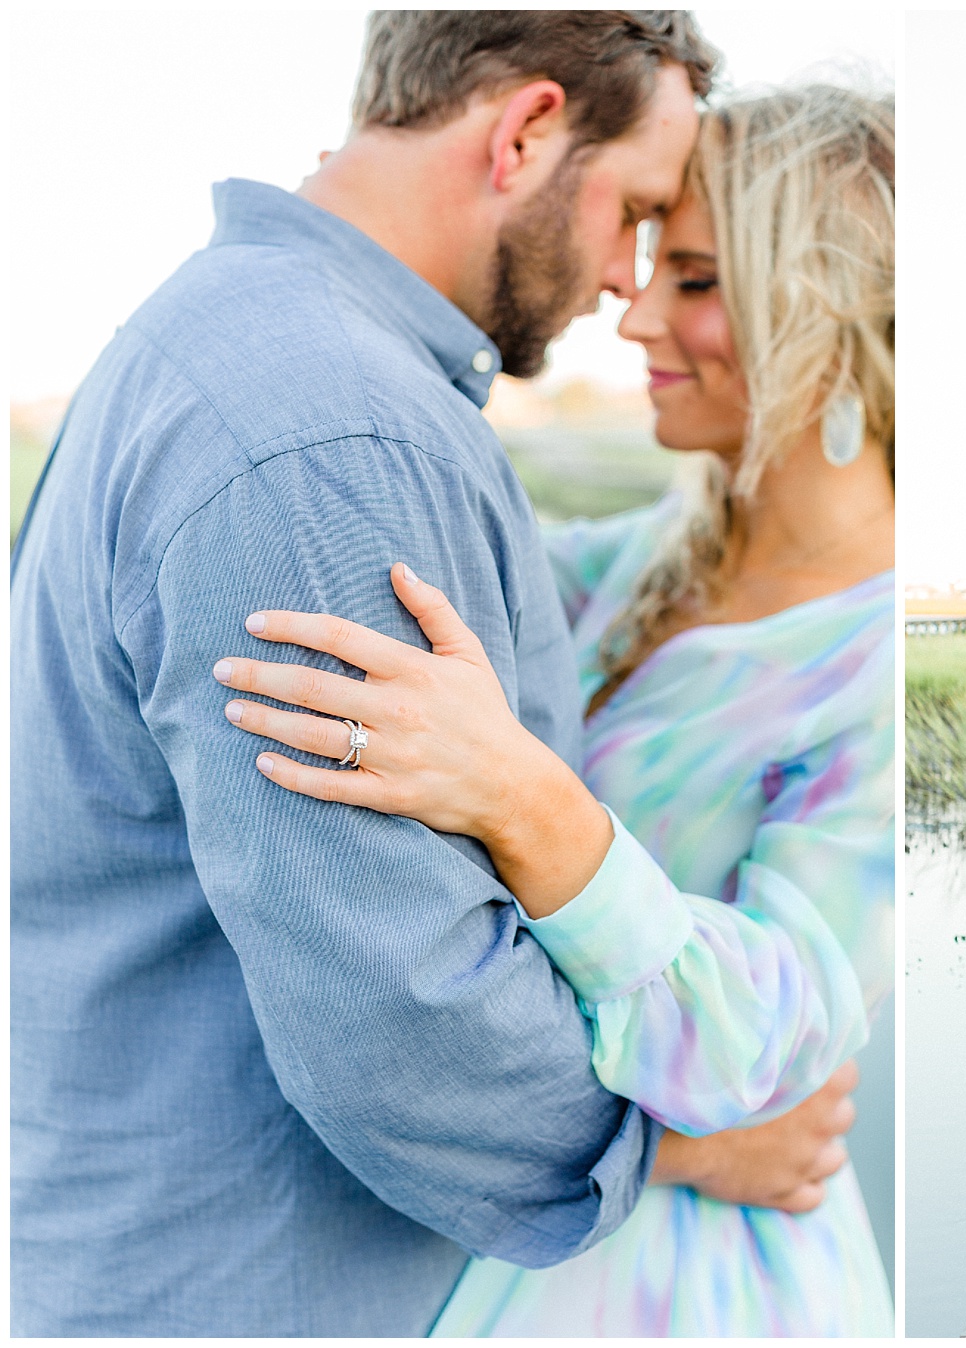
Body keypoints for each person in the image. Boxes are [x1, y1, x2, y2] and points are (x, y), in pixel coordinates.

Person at [10, 13, 851, 1335]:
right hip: (258, 1291)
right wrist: (672, 1151)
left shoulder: (239, 346)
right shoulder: (333, 437)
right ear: (522, 134)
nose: (621, 282)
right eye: (632, 211)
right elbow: (407, 1023)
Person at [209, 83, 896, 1335]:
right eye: (643, 265)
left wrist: (524, 799)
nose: (632, 313)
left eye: (692, 278)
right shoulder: (618, 565)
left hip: (705, 1291)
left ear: (830, 312)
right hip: (524, 1238)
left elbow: (766, 1038)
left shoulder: (885, 664)